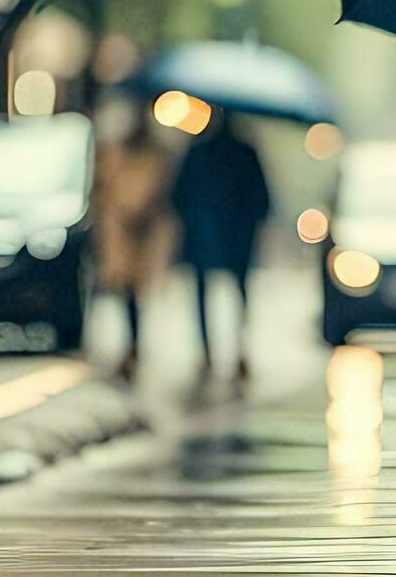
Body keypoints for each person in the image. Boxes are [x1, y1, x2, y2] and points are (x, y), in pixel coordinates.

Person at [170, 111, 270, 389]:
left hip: (205, 234)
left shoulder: (197, 151)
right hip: (235, 235)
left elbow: (177, 196)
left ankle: (208, 353)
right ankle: (237, 351)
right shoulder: (245, 152)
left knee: (204, 293)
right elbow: (263, 199)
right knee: (239, 292)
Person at [93, 103, 175, 381]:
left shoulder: (155, 156)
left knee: (135, 291)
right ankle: (130, 344)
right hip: (122, 232)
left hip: (142, 233)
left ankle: (133, 345)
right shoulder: (118, 152)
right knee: (123, 290)